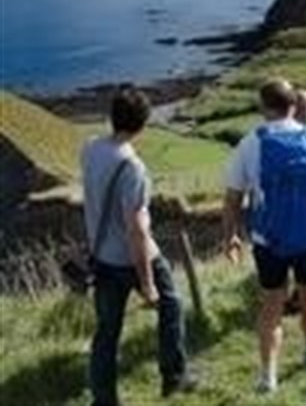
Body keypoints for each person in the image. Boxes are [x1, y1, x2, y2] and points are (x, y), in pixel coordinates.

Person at [222, 79, 306, 394]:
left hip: (269, 240)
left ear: (263, 107)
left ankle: (268, 376)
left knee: (272, 304)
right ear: (294, 106)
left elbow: (233, 198)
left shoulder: (251, 142)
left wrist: (231, 236)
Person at [81, 85, 196, 406]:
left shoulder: (90, 148)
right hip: (133, 258)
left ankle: (104, 400)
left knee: (107, 332)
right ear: (143, 123)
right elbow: (137, 231)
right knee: (171, 306)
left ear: (112, 117)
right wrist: (147, 283)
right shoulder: (132, 167)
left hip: (101, 256)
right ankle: (174, 377)